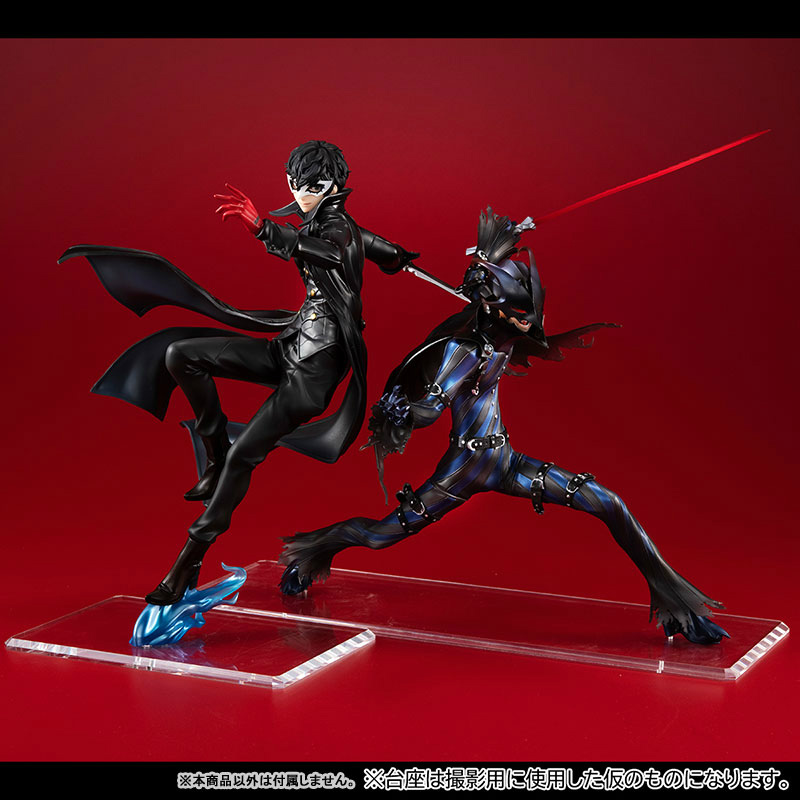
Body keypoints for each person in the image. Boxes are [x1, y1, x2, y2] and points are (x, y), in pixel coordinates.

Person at [278, 207, 729, 645]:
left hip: (506, 461)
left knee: (608, 502)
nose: (528, 323)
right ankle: (312, 551)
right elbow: (431, 408)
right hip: (462, 471)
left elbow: (514, 311)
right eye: (518, 313)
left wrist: (501, 242)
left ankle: (676, 604)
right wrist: (402, 411)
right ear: (494, 308)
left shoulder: (501, 338)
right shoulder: (463, 351)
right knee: (379, 536)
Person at [59, 140, 418, 605]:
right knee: (181, 354)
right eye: (293, 183)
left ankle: (189, 560)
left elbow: (329, 251)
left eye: (310, 186)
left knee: (244, 457)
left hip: (315, 371)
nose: (299, 193)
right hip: (289, 347)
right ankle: (214, 448)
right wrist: (397, 256)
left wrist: (263, 228)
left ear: (333, 187)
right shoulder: (333, 223)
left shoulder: (336, 229)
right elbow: (380, 249)